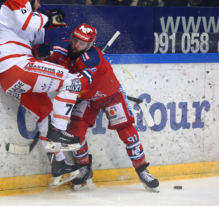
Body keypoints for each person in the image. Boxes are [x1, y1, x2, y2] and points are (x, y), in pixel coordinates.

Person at [33, 23, 160, 192]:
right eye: (75, 40)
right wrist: (39, 54)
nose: (76, 45)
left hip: (110, 95)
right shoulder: (60, 46)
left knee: (126, 131)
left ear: (90, 45)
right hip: (87, 99)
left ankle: (143, 170)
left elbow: (76, 84)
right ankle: (84, 168)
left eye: (82, 43)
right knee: (73, 135)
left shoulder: (92, 58)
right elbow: (38, 51)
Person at [0, 0, 89, 187]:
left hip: (10, 80)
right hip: (12, 65)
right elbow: (29, 22)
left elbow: (36, 54)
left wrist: (41, 54)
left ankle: (58, 163)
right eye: (37, 1)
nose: (39, 3)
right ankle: (58, 131)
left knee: (46, 113)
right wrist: (48, 18)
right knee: (72, 80)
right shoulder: (15, 3)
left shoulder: (37, 22)